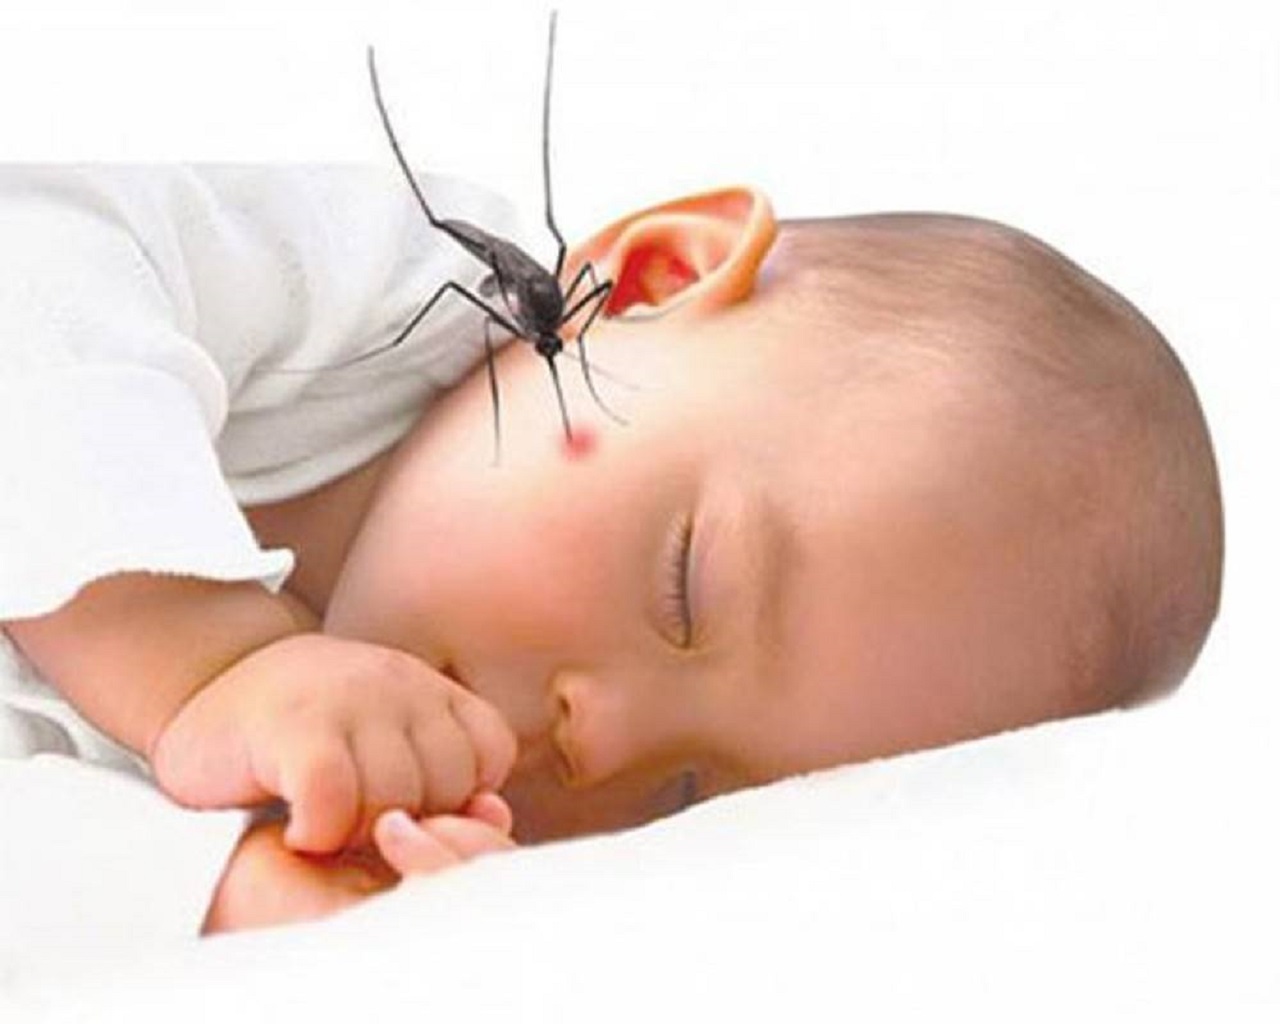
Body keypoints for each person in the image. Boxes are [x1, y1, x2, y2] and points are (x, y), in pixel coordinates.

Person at [0, 165, 1223, 935]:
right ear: (649, 278)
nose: (601, 745)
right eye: (684, 585)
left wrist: (229, 891)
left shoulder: (365, 809)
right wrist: (206, 657)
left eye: (687, 792)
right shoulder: (364, 280)